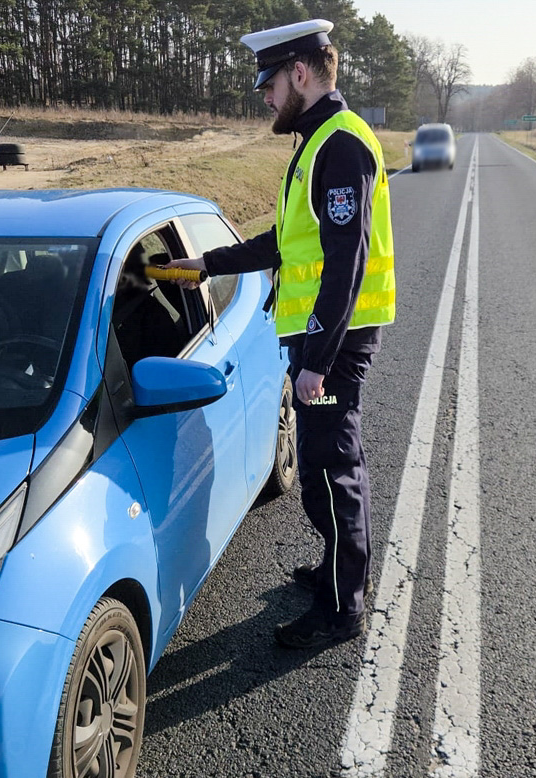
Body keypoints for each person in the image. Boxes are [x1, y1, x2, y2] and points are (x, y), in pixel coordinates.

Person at [161, 19, 395, 649]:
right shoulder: (315, 142)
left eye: (269, 83)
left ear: (300, 73)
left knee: (330, 467)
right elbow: (289, 244)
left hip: (334, 343)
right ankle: (334, 570)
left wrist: (316, 359)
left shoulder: (340, 146)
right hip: (321, 338)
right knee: (325, 463)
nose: (264, 97)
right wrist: (208, 263)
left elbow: (346, 264)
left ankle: (343, 608)